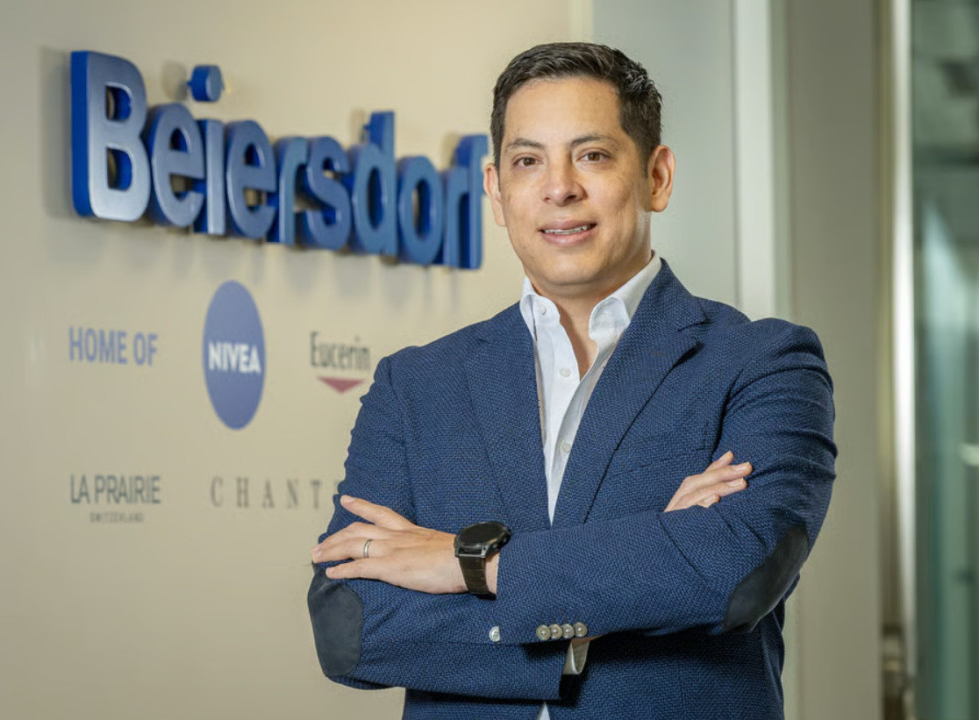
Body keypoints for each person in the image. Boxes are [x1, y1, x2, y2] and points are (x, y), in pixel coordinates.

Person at [308, 42, 835, 720]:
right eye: (528, 161)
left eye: (592, 155)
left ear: (657, 177)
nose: (559, 188)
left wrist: (469, 565)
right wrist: (632, 575)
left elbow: (735, 572)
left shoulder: (761, 362)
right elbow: (349, 625)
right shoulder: (416, 385)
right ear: (497, 191)